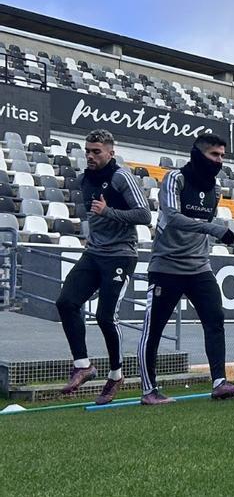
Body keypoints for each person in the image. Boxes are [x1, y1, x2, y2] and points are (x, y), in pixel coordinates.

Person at [137, 134, 234, 404]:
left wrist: (210, 232)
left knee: (215, 320)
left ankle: (219, 382)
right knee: (154, 328)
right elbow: (173, 218)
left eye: (222, 156)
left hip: (199, 267)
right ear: (198, 154)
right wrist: (215, 229)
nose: (219, 161)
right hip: (167, 267)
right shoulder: (175, 179)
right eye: (214, 155)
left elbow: (198, 226)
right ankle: (148, 390)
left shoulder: (216, 190)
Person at [56, 129, 151, 404]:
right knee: (66, 302)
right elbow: (94, 215)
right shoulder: (84, 179)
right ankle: (83, 365)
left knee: (105, 317)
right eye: (87, 151)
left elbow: (144, 214)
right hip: (94, 253)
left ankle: (116, 374)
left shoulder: (121, 176)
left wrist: (108, 212)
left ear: (111, 151)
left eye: (96, 151)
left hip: (121, 255)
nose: (90, 156)